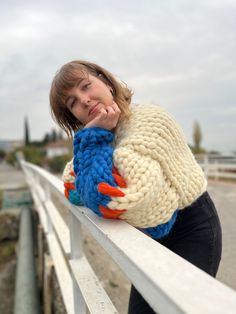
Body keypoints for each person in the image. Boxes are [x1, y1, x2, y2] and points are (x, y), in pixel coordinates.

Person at [49, 60, 222, 314]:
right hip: (151, 237)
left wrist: (94, 143)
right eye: (72, 102)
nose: (83, 100)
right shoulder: (106, 134)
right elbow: (71, 185)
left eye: (85, 86)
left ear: (106, 82)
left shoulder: (150, 119)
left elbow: (114, 193)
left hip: (193, 230)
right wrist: (96, 138)